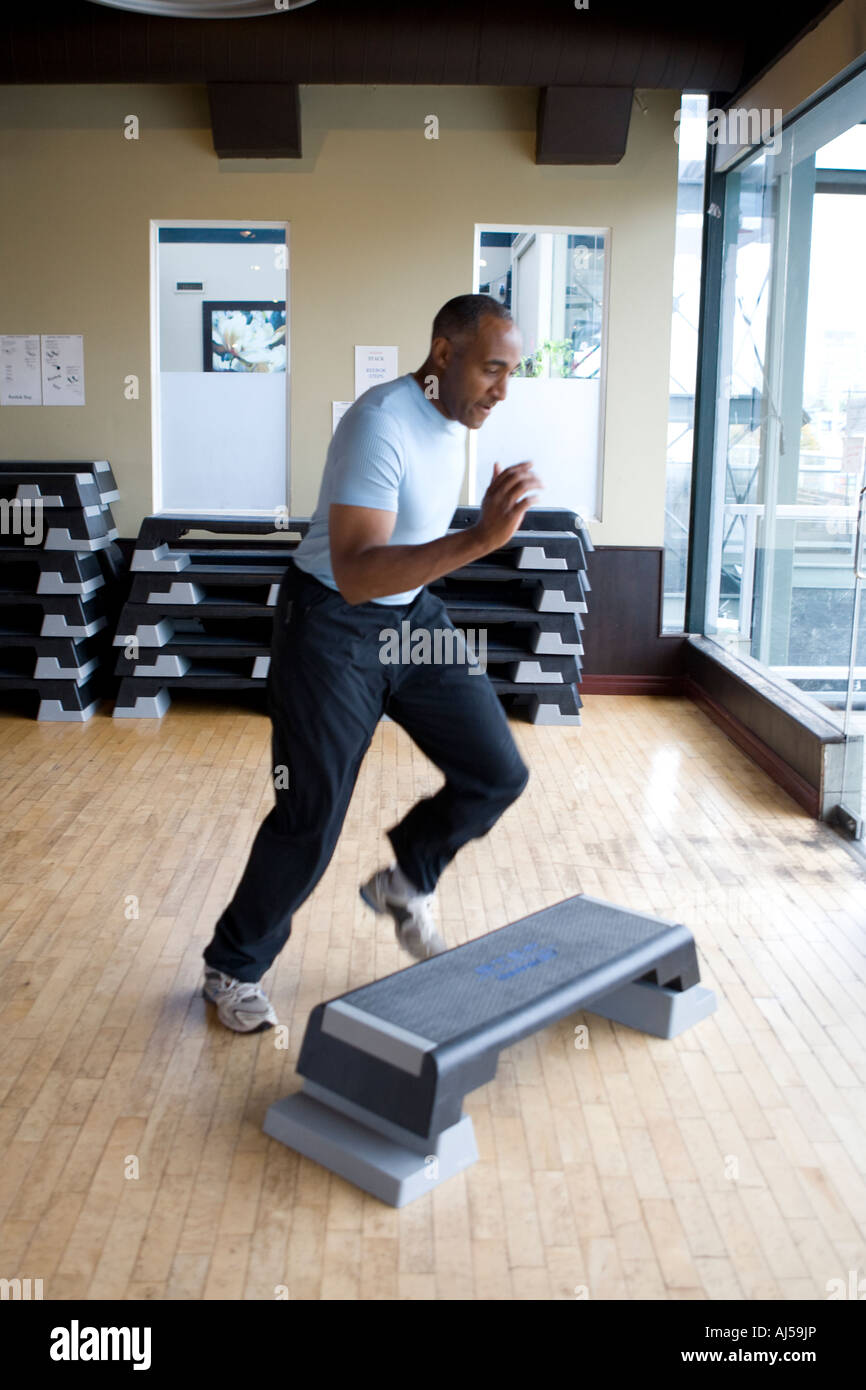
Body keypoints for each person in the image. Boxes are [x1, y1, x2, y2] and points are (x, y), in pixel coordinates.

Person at [201, 293, 541, 1032]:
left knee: (497, 771)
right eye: (491, 369)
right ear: (443, 355)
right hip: (331, 625)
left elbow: (405, 551)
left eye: (511, 373)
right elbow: (356, 572)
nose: (501, 391)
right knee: (311, 814)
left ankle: (408, 877)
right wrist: (481, 540)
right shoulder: (380, 423)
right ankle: (232, 966)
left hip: (410, 619)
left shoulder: (454, 420)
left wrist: (474, 531)